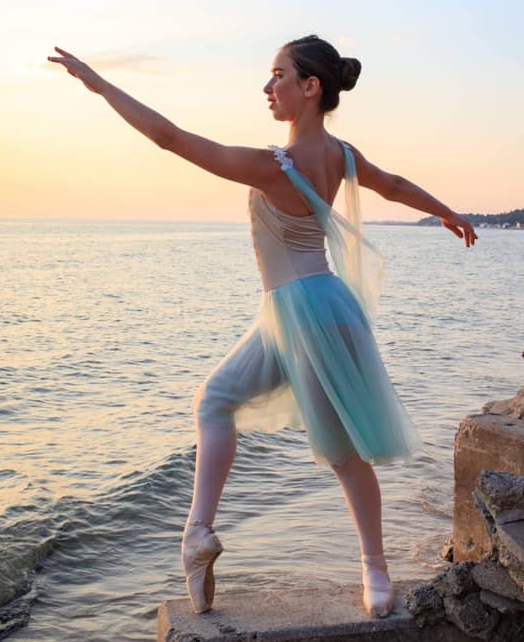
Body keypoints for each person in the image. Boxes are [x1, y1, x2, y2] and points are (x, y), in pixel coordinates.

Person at [48, 36, 476, 619]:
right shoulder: (343, 155)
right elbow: (395, 186)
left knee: (342, 452)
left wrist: (100, 86)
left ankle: (375, 568)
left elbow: (170, 138)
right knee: (216, 400)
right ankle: (197, 536)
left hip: (311, 315)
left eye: (279, 75)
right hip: (296, 310)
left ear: (311, 88)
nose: (267, 86)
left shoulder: (276, 164)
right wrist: (446, 210)